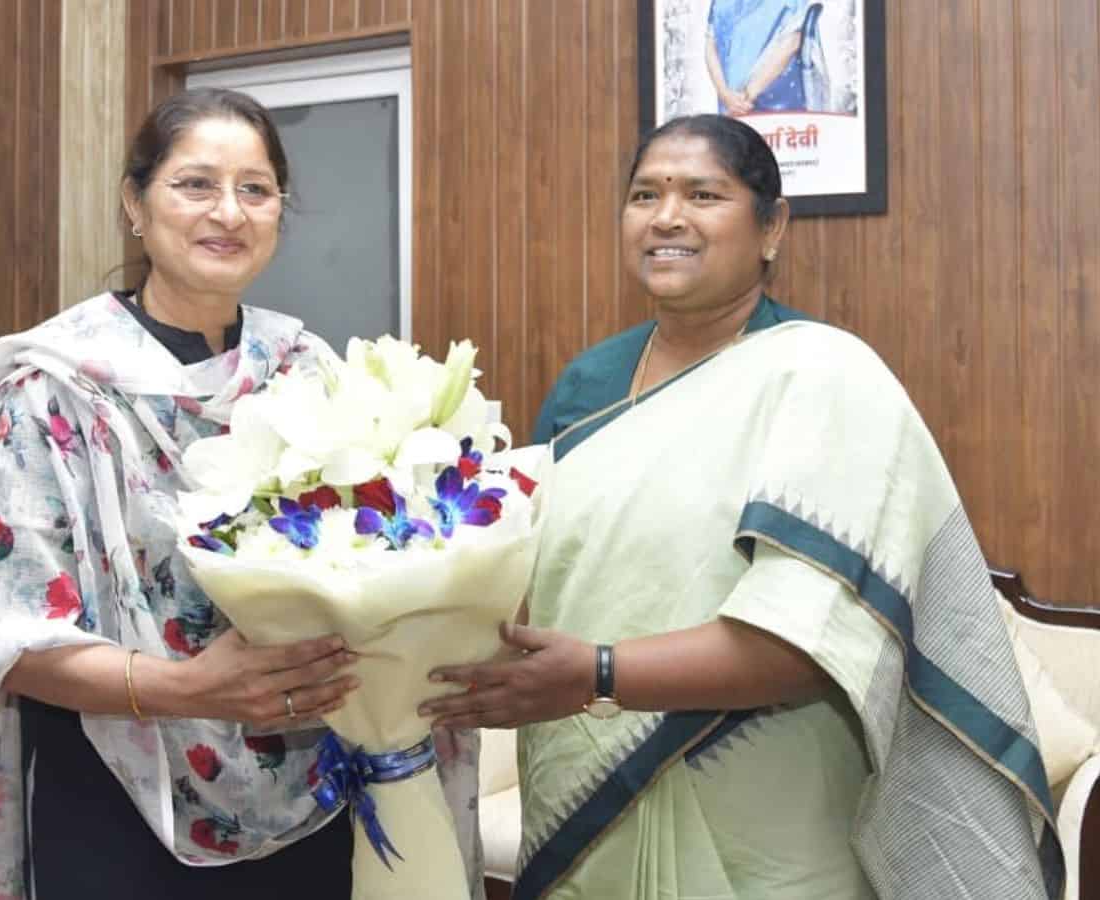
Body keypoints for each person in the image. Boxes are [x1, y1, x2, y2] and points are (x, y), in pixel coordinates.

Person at [420, 114, 1063, 899]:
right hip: (584, 798)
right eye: (644, 194)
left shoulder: (826, 377)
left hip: (766, 810)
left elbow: (810, 645)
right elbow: (528, 577)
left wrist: (598, 673)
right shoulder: (586, 387)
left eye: (703, 194)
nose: (666, 216)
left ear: (772, 226)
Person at [0, 89, 484, 899]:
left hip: (309, 783)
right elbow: (3, 636)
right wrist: (189, 688)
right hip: (114, 791)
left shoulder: (310, 374)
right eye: (195, 184)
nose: (228, 212)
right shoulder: (51, 391)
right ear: (136, 203)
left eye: (256, 190)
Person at [705, 0, 828, 115]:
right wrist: (724, 94)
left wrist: (745, 97)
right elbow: (711, 44)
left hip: (779, 108)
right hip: (731, 108)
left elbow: (793, 41)